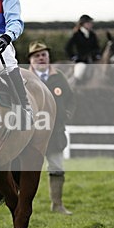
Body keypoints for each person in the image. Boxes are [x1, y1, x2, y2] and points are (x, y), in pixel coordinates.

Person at [28, 41, 76, 214]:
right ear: (30, 60)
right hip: (30, 134)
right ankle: (22, 206)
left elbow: (71, 99)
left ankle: (57, 205)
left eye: (44, 55)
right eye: (37, 56)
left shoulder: (59, 77)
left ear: (48, 57)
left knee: (57, 168)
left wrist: (67, 114)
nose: (41, 58)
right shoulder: (25, 78)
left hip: (55, 132)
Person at [64, 14, 100, 83]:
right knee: (78, 73)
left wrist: (98, 54)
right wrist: (73, 56)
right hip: (81, 60)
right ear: (83, 24)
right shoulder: (76, 34)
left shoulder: (92, 35)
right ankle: (73, 85)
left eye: (91, 23)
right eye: (88, 23)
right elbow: (67, 48)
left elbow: (97, 47)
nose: (91, 24)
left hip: (93, 59)